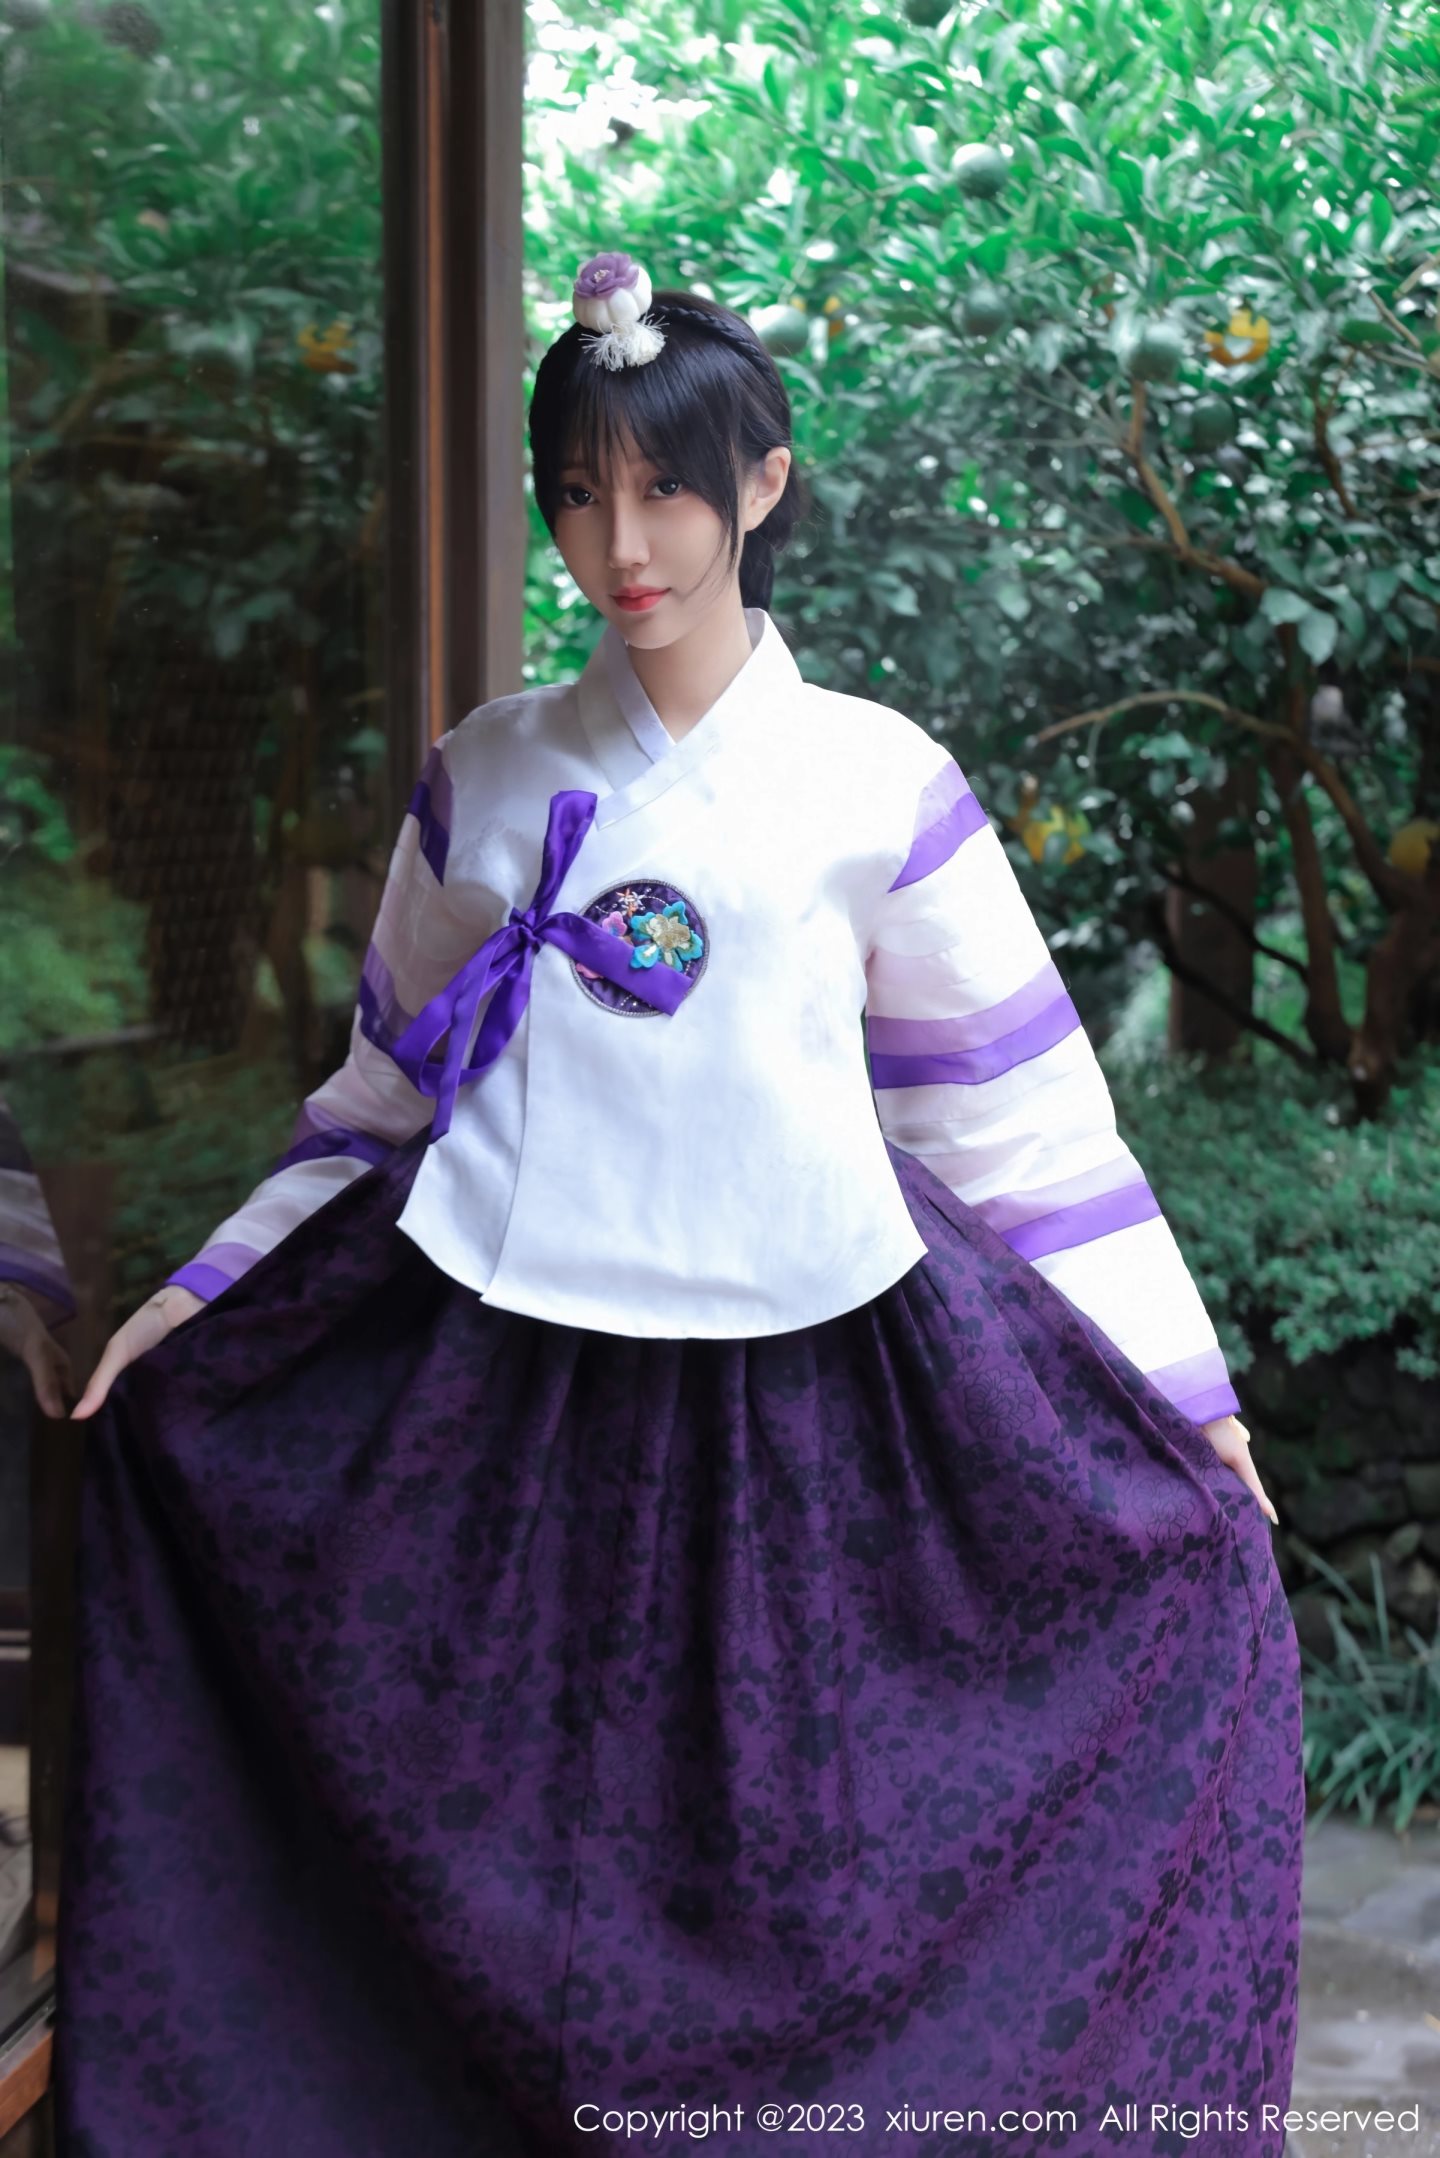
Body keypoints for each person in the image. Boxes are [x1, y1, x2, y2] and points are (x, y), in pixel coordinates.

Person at [56, 249, 1304, 2158]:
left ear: (764, 484)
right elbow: (383, 1093)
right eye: (578, 492)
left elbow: (1021, 1128)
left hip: (816, 1414)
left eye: (663, 489)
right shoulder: (486, 774)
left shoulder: (876, 781)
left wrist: (1191, 1409)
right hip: (491, 1408)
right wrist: (195, 1300)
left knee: (801, 1896)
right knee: (501, 1870)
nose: (620, 544)